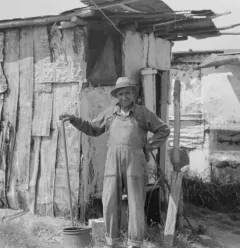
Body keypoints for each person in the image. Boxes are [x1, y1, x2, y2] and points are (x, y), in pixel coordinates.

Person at [60, 77, 170, 248]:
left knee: (135, 202)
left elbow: (163, 129)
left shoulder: (142, 112)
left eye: (127, 92)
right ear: (117, 96)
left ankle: (134, 242)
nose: (124, 96)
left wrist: (149, 145)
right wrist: (75, 120)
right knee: (110, 200)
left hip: (135, 162)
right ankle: (112, 241)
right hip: (113, 161)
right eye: (121, 93)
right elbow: (92, 128)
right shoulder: (110, 113)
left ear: (133, 94)